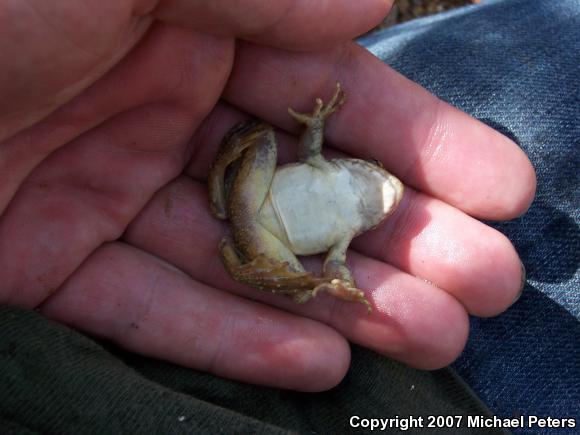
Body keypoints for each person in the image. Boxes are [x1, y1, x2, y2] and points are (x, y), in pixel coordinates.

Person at [1, 0, 576, 433]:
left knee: (305, 290)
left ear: (367, 223)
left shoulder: (343, 221)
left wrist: (332, 283)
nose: (380, 182)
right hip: (255, 214)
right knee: (267, 165)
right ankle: (226, 198)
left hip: (261, 224)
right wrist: (333, 274)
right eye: (375, 171)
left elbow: (331, 242)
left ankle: (236, 217)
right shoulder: (341, 199)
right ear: (360, 167)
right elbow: (315, 142)